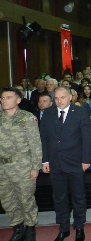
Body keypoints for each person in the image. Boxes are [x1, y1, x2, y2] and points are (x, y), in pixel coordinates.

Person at [40, 86, 91, 241]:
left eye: (62, 97)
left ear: (71, 97)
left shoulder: (80, 112)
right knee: (59, 197)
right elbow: (44, 138)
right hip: (56, 163)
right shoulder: (48, 113)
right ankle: (63, 228)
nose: (59, 101)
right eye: (56, 98)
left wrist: (86, 160)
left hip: (76, 162)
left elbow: (87, 138)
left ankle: (79, 227)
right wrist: (45, 160)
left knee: (78, 196)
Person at [0, 87, 42, 241]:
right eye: (2, 98)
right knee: (7, 200)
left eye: (9, 97)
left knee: (26, 199)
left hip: (22, 165)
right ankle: (18, 229)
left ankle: (30, 229)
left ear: (18, 100)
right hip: (2, 168)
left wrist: (35, 167)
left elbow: (35, 144)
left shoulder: (27, 118)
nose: (4, 100)